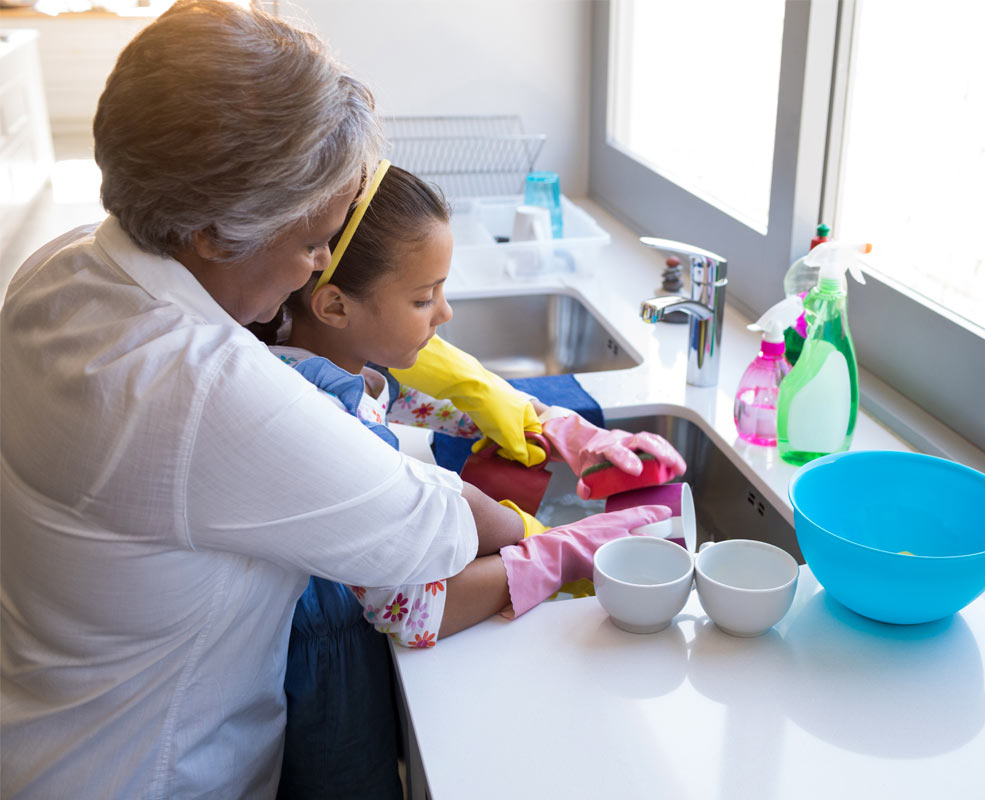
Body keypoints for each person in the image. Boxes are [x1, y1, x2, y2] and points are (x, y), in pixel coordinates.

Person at [0, 2, 676, 799]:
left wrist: (531, 415)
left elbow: (368, 383)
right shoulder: (203, 389)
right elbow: (430, 533)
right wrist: (566, 543)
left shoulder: (65, 266)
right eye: (312, 241)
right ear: (214, 233)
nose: (318, 264)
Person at [253, 160, 685, 795]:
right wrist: (557, 554)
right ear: (335, 304)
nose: (445, 313)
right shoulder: (325, 424)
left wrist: (558, 428)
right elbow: (411, 608)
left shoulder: (320, 358)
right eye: (423, 298)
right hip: (327, 677)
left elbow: (418, 400)